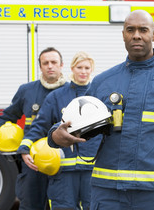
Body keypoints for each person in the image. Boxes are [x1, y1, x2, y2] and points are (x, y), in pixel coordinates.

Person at [48, 9, 154, 210]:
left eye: (143, 30)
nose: (136, 35)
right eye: (130, 30)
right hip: (107, 195)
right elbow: (76, 119)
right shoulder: (104, 82)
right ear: (123, 34)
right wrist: (55, 136)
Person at [0, 47, 65, 210]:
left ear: (61, 65)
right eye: (45, 63)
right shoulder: (27, 91)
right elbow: (8, 116)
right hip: (32, 161)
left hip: (63, 161)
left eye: (54, 62)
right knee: (30, 205)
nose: (50, 66)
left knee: (63, 205)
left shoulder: (71, 91)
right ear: (40, 67)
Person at [16, 51, 97, 210]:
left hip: (91, 171)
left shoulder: (99, 95)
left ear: (91, 69)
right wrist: (25, 147)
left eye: (87, 67)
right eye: (79, 67)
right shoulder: (56, 96)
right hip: (64, 172)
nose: (83, 71)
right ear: (72, 68)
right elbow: (40, 126)